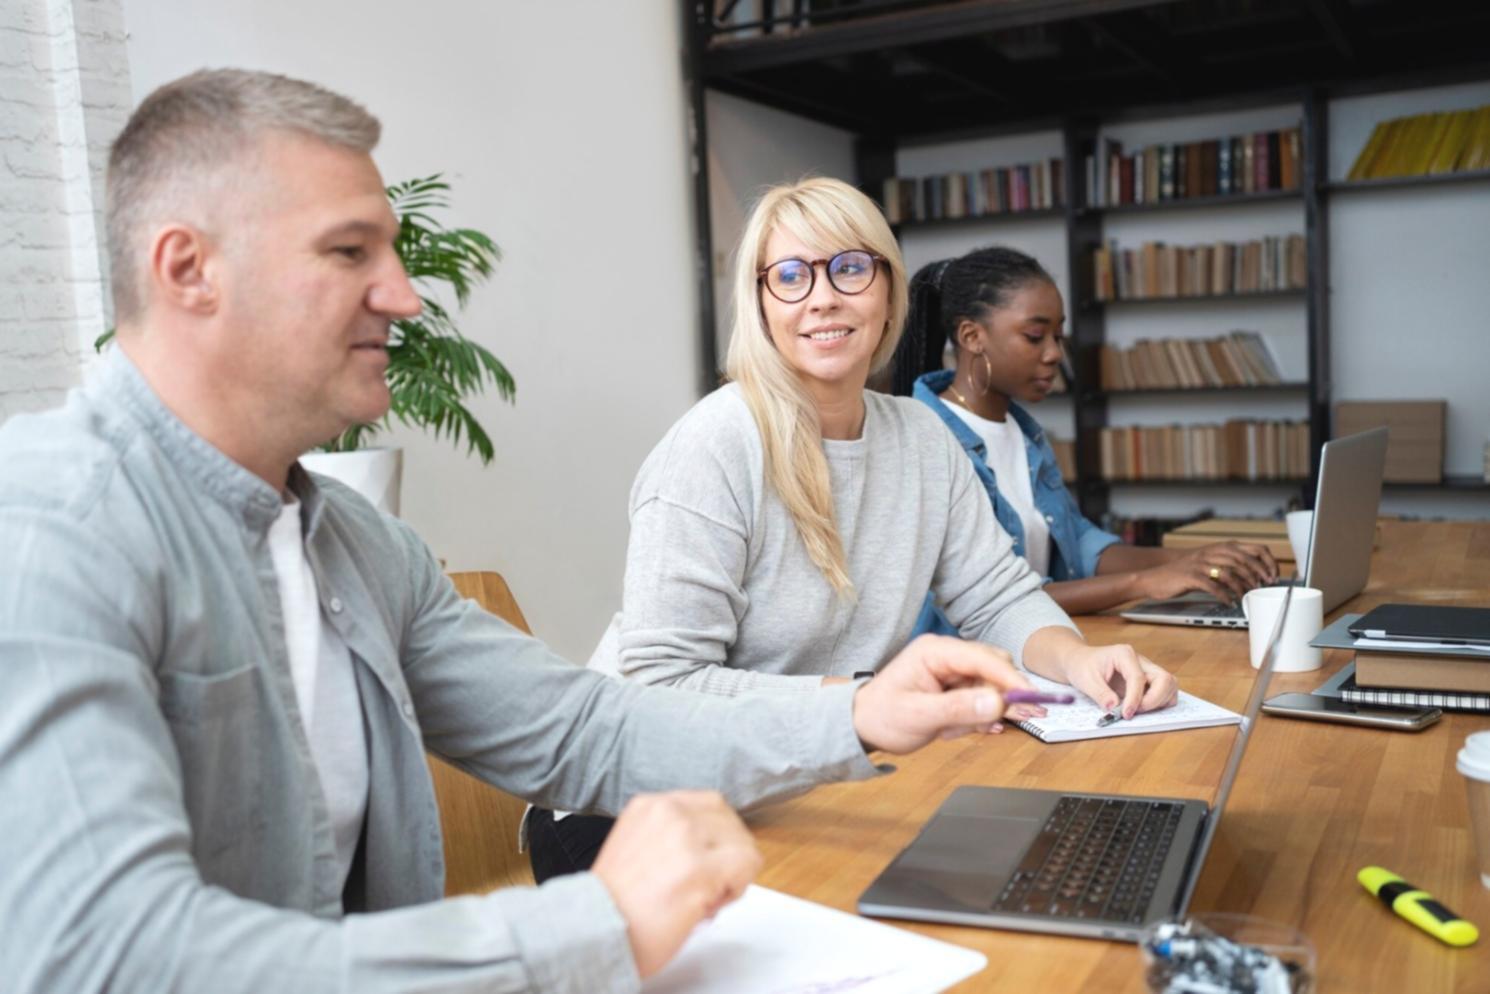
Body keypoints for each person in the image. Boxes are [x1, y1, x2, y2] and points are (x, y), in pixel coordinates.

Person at [0, 70, 1064, 994]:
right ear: (188, 270)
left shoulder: (357, 547)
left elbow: (583, 729)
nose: (403, 296)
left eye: (392, 252)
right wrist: (593, 925)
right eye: (348, 252)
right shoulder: (49, 527)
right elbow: (101, 957)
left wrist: (859, 715)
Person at [528, 178, 1179, 881]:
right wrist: (863, 702)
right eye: (790, 275)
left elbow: (997, 595)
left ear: (888, 293)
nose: (822, 297)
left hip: (795, 782)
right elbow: (662, 685)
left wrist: (1079, 662)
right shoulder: (715, 444)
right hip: (631, 808)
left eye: (849, 268)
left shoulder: (923, 439)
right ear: (760, 304)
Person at [890, 245, 1279, 622]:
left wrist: (1196, 560)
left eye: (1058, 336)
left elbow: (1080, 542)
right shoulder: (925, 441)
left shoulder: (1024, 434)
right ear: (971, 336)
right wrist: (1144, 582)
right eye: (1035, 336)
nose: (1055, 354)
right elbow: (990, 598)